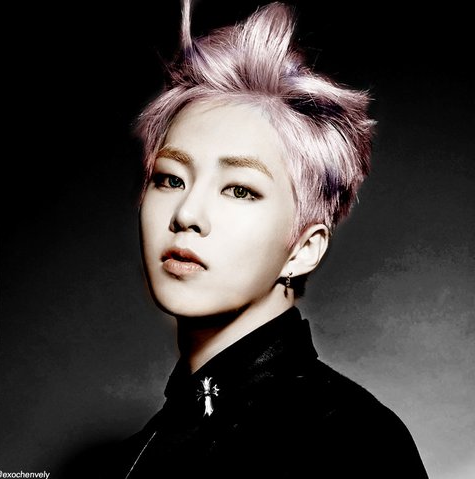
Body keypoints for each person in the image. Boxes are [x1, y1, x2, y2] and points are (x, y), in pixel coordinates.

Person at [103, 1, 429, 477]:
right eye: (170, 179)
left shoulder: (350, 441)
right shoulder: (134, 455)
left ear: (304, 248)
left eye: (240, 189)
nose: (187, 214)